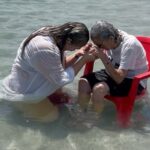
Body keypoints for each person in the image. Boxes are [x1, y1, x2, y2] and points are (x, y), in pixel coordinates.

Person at [0, 22, 97, 122]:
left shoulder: (53, 35)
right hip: (24, 92)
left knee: (66, 99)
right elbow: (61, 80)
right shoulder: (44, 48)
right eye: (75, 47)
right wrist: (83, 60)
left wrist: (78, 54)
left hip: (32, 81)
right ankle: (19, 113)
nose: (75, 49)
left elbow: (57, 66)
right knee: (51, 117)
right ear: (68, 41)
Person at [78, 20, 148, 115]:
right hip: (113, 73)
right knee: (83, 82)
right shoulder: (112, 37)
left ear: (111, 38)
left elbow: (119, 79)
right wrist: (89, 53)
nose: (99, 47)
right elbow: (100, 53)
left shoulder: (130, 46)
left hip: (132, 81)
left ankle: (94, 119)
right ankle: (82, 113)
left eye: (99, 45)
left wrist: (103, 56)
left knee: (98, 90)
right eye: (96, 44)